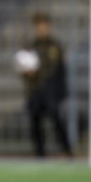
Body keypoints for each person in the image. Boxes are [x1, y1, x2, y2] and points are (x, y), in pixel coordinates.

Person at [20, 12, 72, 158]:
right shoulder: (30, 47)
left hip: (51, 92)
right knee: (35, 123)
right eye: (39, 26)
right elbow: (23, 69)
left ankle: (67, 151)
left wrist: (62, 93)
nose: (41, 29)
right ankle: (40, 154)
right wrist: (26, 72)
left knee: (57, 122)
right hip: (35, 91)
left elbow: (61, 71)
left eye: (44, 26)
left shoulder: (55, 46)